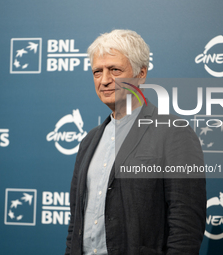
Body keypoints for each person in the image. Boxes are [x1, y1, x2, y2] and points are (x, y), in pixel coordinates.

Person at [65, 29, 206, 255]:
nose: (104, 80)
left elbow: (186, 225)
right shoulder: (88, 141)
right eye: (97, 72)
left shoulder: (174, 134)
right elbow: (76, 224)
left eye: (114, 70)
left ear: (141, 74)